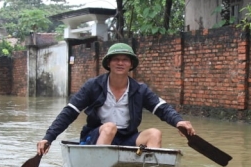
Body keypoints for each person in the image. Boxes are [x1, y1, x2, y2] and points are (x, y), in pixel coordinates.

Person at [36, 42, 195, 156]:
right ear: (109, 63)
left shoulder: (139, 89)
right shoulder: (93, 86)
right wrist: (48, 138)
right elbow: (69, 112)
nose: (120, 63)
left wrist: (178, 121)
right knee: (109, 127)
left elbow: (162, 108)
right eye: (116, 59)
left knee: (154, 133)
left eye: (125, 59)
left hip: (127, 137)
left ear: (130, 64)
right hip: (97, 136)